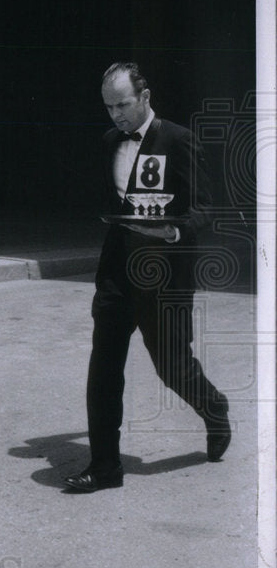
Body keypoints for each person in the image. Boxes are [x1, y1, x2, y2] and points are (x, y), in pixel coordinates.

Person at [65, 62, 231, 493]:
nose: (116, 114)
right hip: (118, 271)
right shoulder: (108, 142)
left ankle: (214, 408)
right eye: (108, 107)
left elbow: (207, 207)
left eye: (122, 104)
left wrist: (173, 230)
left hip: (165, 274)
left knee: (172, 367)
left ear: (144, 97)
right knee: (104, 366)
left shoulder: (178, 140)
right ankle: (104, 466)